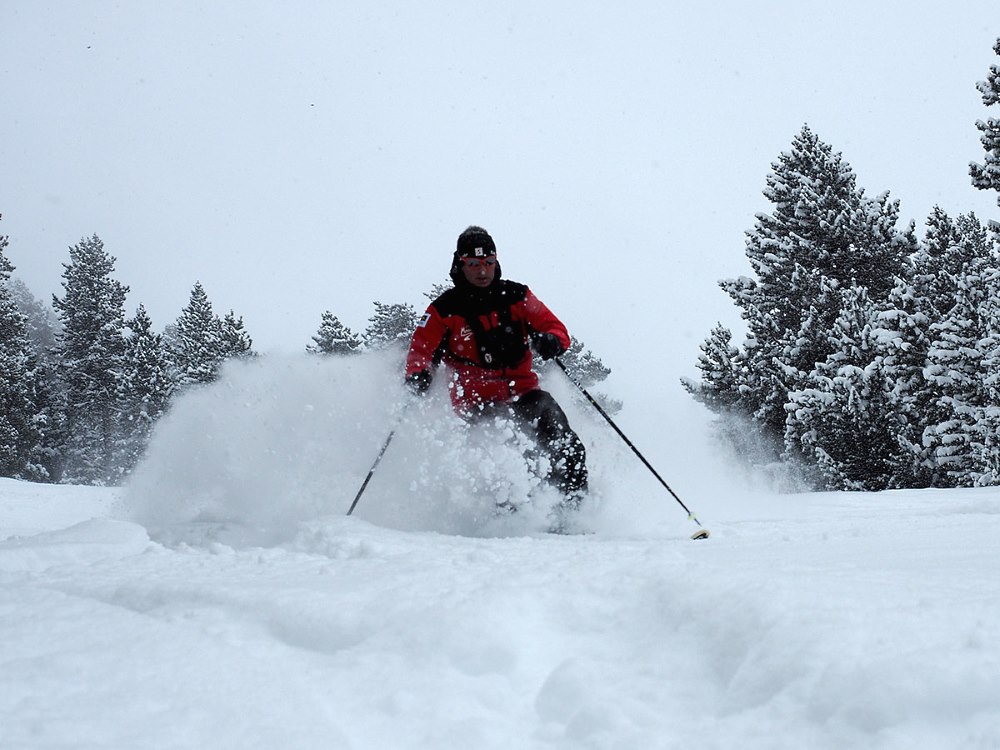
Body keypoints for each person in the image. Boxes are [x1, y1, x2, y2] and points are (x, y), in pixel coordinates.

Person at [404, 225, 588, 518]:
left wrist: (551, 341)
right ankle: (506, 522)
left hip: (525, 393)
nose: (482, 271)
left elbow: (555, 328)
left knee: (562, 439)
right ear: (460, 264)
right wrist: (419, 374)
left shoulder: (516, 296)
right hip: (476, 403)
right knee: (501, 457)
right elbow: (421, 351)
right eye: (474, 264)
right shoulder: (444, 310)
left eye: (488, 262)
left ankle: (574, 513)